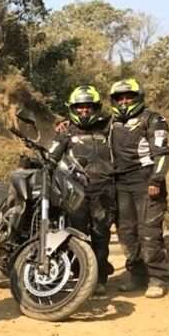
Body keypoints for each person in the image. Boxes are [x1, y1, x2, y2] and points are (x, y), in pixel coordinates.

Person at [108, 78, 169, 298]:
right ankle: (137, 276)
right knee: (127, 233)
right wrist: (62, 122)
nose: (125, 101)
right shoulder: (111, 122)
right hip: (120, 184)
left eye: (129, 97)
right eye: (120, 98)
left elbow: (162, 154)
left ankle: (158, 278)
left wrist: (156, 180)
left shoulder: (153, 119)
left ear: (139, 97)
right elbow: (82, 126)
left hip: (146, 183)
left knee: (149, 233)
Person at [48, 85, 115, 296]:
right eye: (79, 108)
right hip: (75, 192)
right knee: (75, 234)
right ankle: (77, 275)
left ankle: (100, 278)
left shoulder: (107, 128)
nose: (83, 112)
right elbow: (51, 157)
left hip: (104, 191)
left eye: (88, 108)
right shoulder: (66, 131)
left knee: (100, 234)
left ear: (96, 108)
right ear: (72, 109)